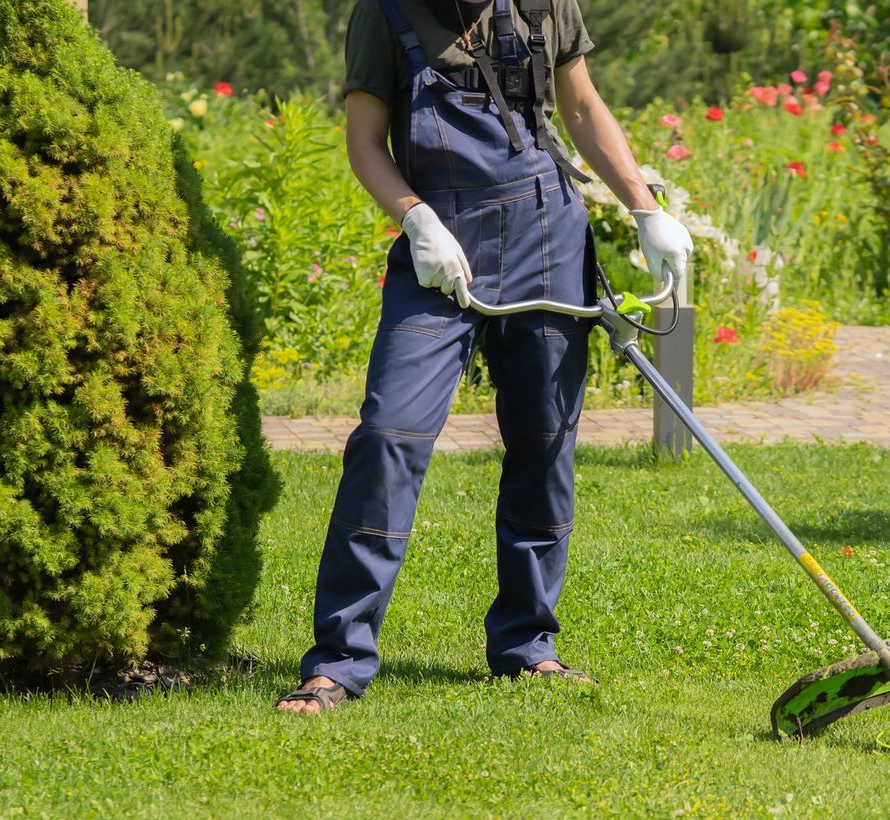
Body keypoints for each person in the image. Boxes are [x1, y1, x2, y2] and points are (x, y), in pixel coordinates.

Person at [277, 0, 693, 713]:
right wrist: (416, 218)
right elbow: (365, 141)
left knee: (544, 443)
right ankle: (338, 661)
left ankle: (528, 647)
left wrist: (644, 208)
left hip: (547, 233)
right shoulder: (385, 12)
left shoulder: (545, 3)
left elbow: (582, 106)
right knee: (389, 434)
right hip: (439, 246)